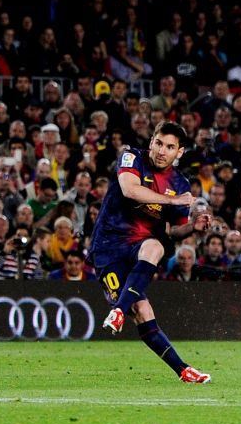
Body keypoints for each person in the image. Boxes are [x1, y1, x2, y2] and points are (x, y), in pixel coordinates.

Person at [88, 121, 212, 383]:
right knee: (142, 311)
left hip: (139, 245)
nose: (161, 151)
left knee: (156, 244)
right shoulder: (132, 156)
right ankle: (124, 310)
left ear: (179, 152)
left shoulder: (180, 183)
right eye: (158, 143)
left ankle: (183, 371)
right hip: (107, 249)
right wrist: (173, 201)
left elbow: (171, 231)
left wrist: (193, 226)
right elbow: (129, 190)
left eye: (169, 147)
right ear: (151, 141)